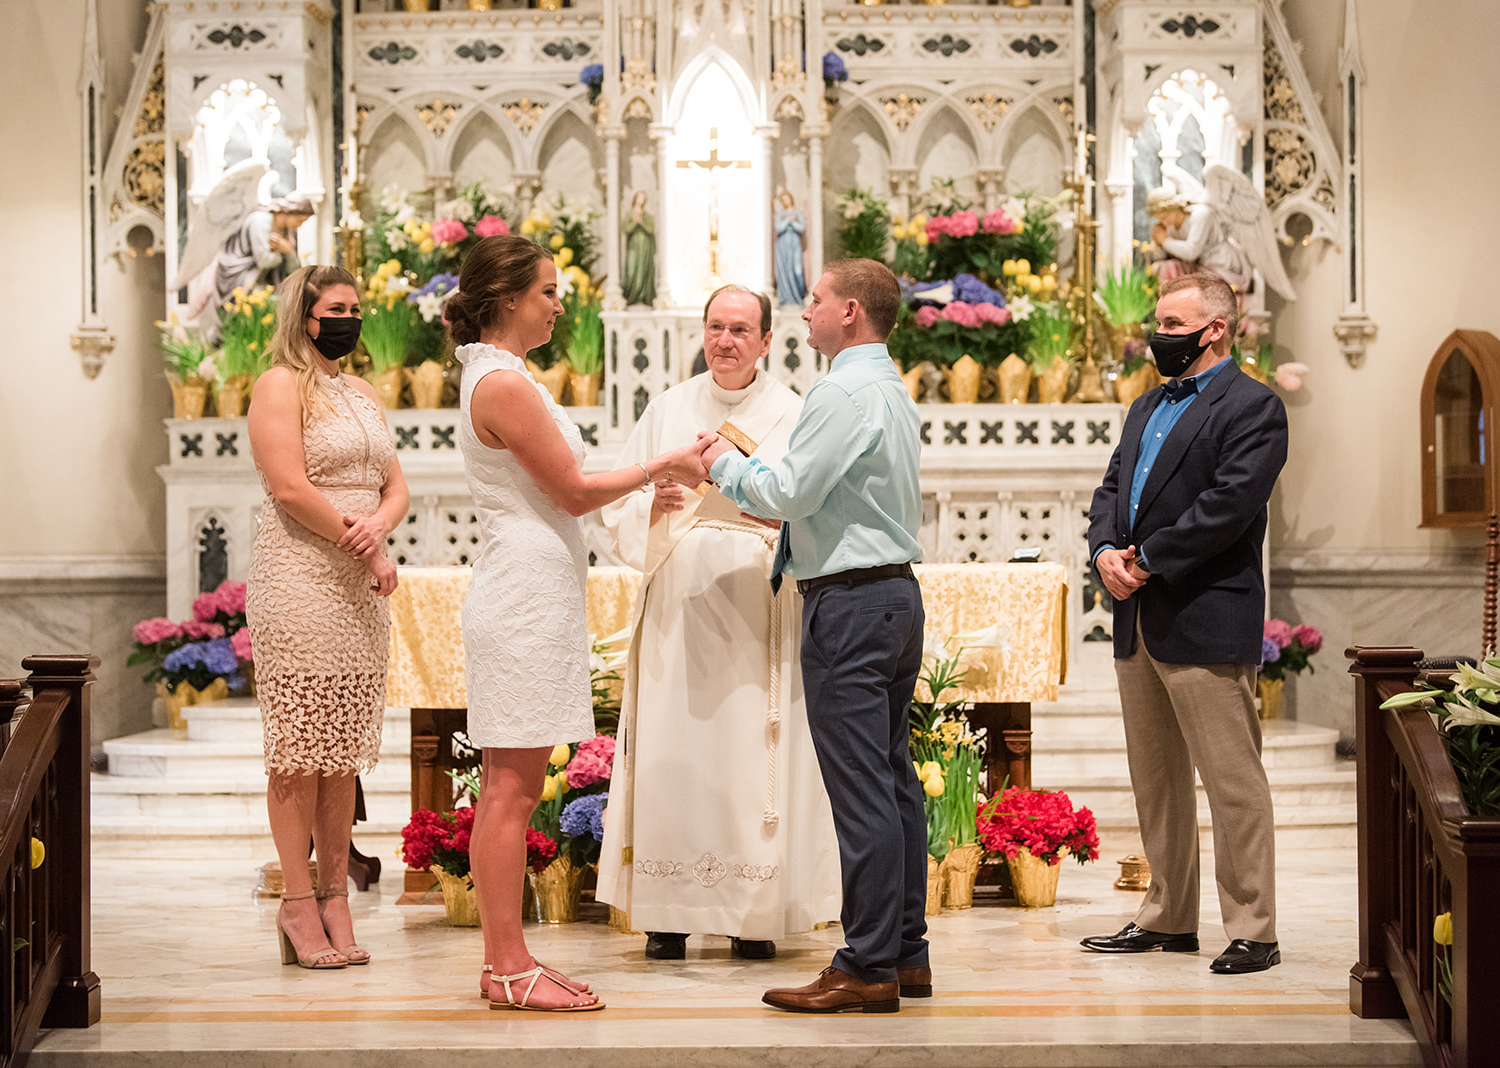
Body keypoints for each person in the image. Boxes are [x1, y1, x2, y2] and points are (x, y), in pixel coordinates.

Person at [445, 234, 715, 1011]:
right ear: (507, 302)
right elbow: (569, 490)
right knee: (510, 790)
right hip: (522, 594)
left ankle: (509, 961)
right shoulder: (501, 383)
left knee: (512, 785)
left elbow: (564, 493)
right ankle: (506, 967)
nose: (559, 305)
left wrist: (647, 487)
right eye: (547, 292)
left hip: (533, 583)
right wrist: (662, 466)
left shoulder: (504, 376)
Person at [703, 259, 928, 1015]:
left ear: (853, 313)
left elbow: (793, 490)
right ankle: (904, 950)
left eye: (819, 300)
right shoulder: (888, 387)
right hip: (891, 595)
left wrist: (724, 466)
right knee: (894, 783)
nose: (806, 313)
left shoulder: (839, 388)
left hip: (851, 604)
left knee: (864, 790)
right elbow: (827, 489)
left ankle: (867, 964)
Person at [596, 285, 840, 963]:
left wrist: (774, 516)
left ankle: (751, 915)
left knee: (745, 757)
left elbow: (813, 503)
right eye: (715, 327)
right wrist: (654, 502)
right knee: (676, 749)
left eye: (740, 329)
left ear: (767, 341)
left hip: (758, 602)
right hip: (680, 603)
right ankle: (668, 916)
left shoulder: (794, 411)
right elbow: (615, 500)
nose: (724, 339)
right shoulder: (669, 408)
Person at [1082, 272, 1288, 975]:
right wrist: (1106, 550)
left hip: (1203, 609)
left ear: (1215, 330)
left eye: (1173, 323)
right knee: (1157, 777)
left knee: (1231, 779)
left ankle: (1254, 927)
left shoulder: (1254, 405)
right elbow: (1112, 489)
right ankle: (1168, 915)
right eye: (1159, 321)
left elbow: (1231, 504)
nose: (1158, 334)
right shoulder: (1145, 406)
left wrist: (1149, 558)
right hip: (1139, 612)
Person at [246, 264, 409, 970]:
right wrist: (364, 540)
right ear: (305, 316)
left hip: (356, 584)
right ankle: (295, 902)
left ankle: (334, 892)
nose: (351, 318)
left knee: (340, 756)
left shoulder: (364, 394)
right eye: (337, 307)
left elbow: (397, 484)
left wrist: (379, 526)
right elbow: (287, 485)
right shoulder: (279, 385)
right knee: (298, 750)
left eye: (357, 306)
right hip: (300, 576)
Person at [200, 195, 315, 343]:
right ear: (290, 211)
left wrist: (288, 251)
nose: (299, 225)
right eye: (299, 221)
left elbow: (294, 270)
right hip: (239, 277)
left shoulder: (287, 230)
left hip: (262, 282)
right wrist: (284, 251)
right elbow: (264, 260)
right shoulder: (259, 221)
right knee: (256, 313)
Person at [621, 190, 657, 307]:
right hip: (634, 248)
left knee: (644, 270)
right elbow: (625, 228)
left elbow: (651, 229)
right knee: (632, 272)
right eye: (639, 198)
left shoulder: (646, 215)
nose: (640, 200)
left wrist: (641, 222)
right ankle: (632, 296)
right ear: (635, 198)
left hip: (645, 249)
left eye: (643, 198)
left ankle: (644, 297)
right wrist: (634, 223)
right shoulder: (629, 214)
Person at [773, 191, 808, 307]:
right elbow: (778, 228)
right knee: (784, 270)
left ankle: (798, 297)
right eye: (783, 200)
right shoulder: (780, 214)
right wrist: (789, 220)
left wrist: (792, 221)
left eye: (787, 198)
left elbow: (802, 227)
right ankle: (785, 298)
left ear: (791, 199)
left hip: (794, 243)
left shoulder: (797, 213)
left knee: (797, 270)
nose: (785, 201)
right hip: (783, 245)